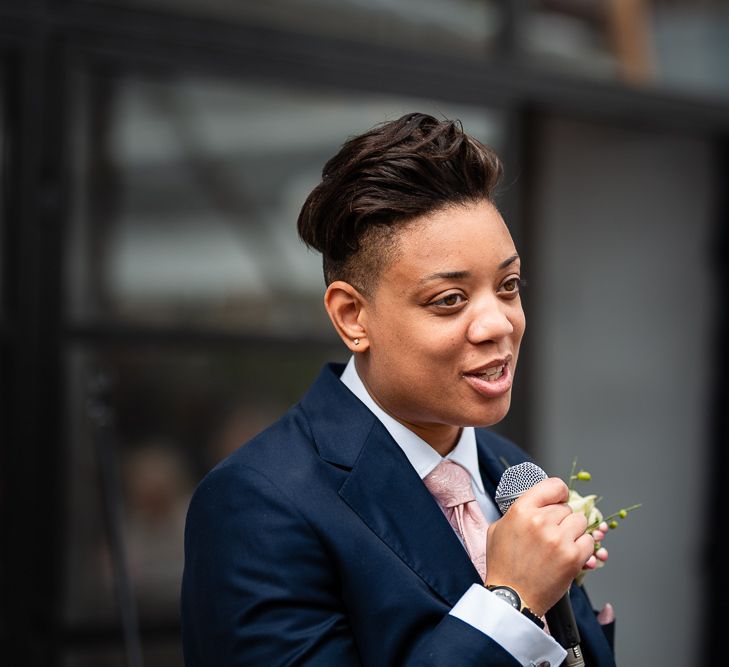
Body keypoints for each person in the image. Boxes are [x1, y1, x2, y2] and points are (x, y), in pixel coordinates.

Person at [181, 113, 616, 666]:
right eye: (449, 300)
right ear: (352, 316)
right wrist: (511, 602)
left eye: (508, 286)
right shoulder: (259, 502)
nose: (499, 324)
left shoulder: (509, 471)